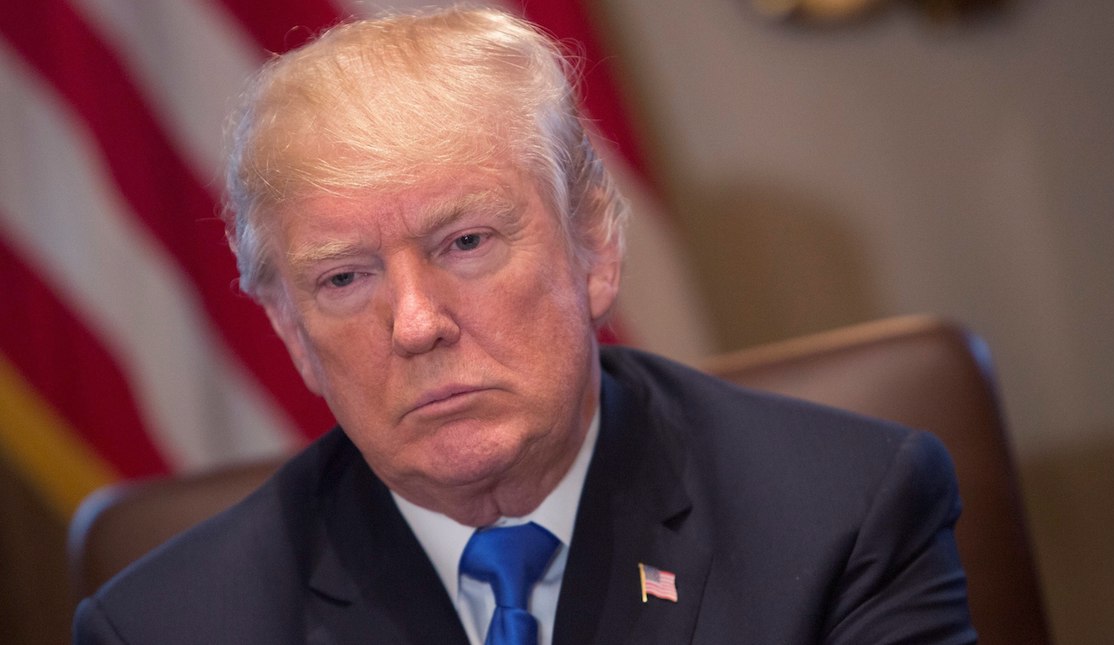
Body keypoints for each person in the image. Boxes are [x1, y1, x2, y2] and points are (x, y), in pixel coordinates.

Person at [73, 6, 975, 644]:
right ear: (290, 331)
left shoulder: (838, 512)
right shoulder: (169, 624)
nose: (417, 324)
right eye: (345, 277)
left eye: (465, 242)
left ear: (593, 249)